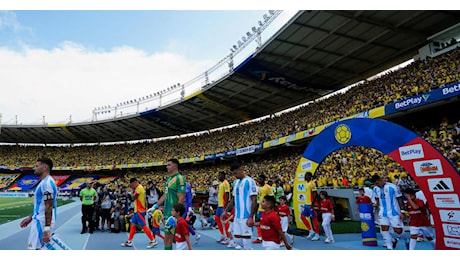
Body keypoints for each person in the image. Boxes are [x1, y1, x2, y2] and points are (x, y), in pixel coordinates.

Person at [20, 157, 58, 250]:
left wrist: (46, 229)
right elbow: (40, 205)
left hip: (41, 222)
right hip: (39, 220)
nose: (35, 168)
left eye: (37, 166)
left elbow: (48, 207)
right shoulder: (44, 182)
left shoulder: (47, 184)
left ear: (45, 167)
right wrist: (30, 218)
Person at [148, 158, 186, 250]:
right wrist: (156, 206)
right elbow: (165, 195)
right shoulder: (169, 179)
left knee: (174, 239)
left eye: (169, 165)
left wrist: (175, 215)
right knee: (169, 239)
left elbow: (181, 198)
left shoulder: (180, 179)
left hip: (174, 215)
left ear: (175, 166)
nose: (166, 166)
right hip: (168, 214)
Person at [223, 161, 258, 250]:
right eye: (233, 173)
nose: (235, 175)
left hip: (246, 216)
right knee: (237, 238)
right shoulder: (236, 183)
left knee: (246, 240)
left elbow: (254, 200)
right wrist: (226, 211)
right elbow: (233, 199)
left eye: (236, 173)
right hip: (237, 216)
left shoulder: (250, 181)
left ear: (241, 170)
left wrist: (251, 217)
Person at [371, 174, 408, 250]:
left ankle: (406, 239)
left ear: (380, 180)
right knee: (384, 229)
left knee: (398, 230)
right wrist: (377, 210)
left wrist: (403, 212)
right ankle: (389, 247)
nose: (377, 185)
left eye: (377, 183)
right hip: (383, 212)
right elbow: (377, 199)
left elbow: (400, 199)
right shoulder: (375, 188)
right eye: (375, 184)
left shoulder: (393, 187)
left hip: (394, 212)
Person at [120, 178, 158, 249]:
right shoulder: (138, 188)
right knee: (133, 225)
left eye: (132, 184)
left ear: (135, 182)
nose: (131, 186)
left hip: (140, 211)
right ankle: (129, 241)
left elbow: (133, 198)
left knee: (143, 226)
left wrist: (130, 192)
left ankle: (153, 240)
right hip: (136, 210)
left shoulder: (139, 188)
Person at [253, 174, 274, 243]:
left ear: (264, 180)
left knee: (268, 224)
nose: (259, 180)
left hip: (266, 210)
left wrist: (270, 208)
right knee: (258, 223)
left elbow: (271, 197)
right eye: (258, 179)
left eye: (260, 179)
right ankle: (260, 237)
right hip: (260, 208)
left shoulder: (267, 187)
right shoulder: (259, 188)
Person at [299, 172, 320, 241]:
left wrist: (312, 204)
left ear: (309, 176)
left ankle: (317, 234)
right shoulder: (306, 184)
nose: (304, 177)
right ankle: (311, 231)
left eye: (306, 176)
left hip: (311, 205)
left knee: (314, 219)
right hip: (306, 204)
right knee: (302, 217)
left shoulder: (312, 183)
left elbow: (315, 194)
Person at [215, 171, 231, 243]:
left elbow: (227, 195)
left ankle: (228, 238)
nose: (218, 177)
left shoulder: (226, 183)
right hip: (219, 205)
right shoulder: (220, 184)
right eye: (218, 175)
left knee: (225, 221)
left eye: (220, 175)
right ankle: (223, 235)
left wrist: (225, 206)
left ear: (224, 176)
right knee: (217, 218)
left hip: (223, 205)